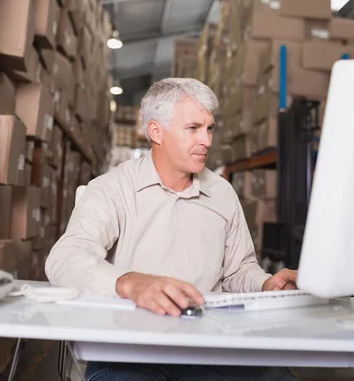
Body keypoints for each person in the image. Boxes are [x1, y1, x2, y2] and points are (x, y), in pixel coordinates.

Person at [45, 78, 298, 381]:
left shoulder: (222, 193)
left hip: (211, 345)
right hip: (129, 349)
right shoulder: (112, 189)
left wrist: (265, 286)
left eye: (209, 128)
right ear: (156, 132)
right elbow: (65, 258)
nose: (206, 140)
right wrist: (130, 284)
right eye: (193, 128)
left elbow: (237, 270)